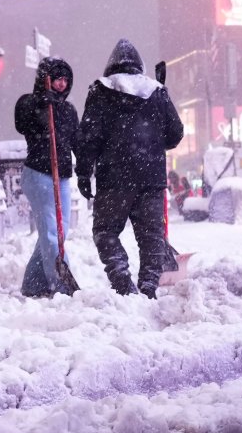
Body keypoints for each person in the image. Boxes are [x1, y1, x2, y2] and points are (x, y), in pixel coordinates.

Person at [77, 39, 185, 298]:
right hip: (151, 180)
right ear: (140, 66)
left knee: (105, 231)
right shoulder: (157, 91)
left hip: (113, 179)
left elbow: (88, 137)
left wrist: (83, 172)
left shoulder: (100, 91)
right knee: (151, 238)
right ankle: (148, 288)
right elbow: (176, 133)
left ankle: (123, 284)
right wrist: (154, 142)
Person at [13, 57, 79, 297]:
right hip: (39, 175)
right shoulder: (30, 103)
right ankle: (62, 285)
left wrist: (85, 168)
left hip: (60, 177)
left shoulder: (69, 110)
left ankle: (33, 282)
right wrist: (40, 103)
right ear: (45, 79)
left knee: (58, 232)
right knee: (52, 232)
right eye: (56, 78)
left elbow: (77, 142)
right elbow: (21, 122)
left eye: (65, 80)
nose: (61, 84)